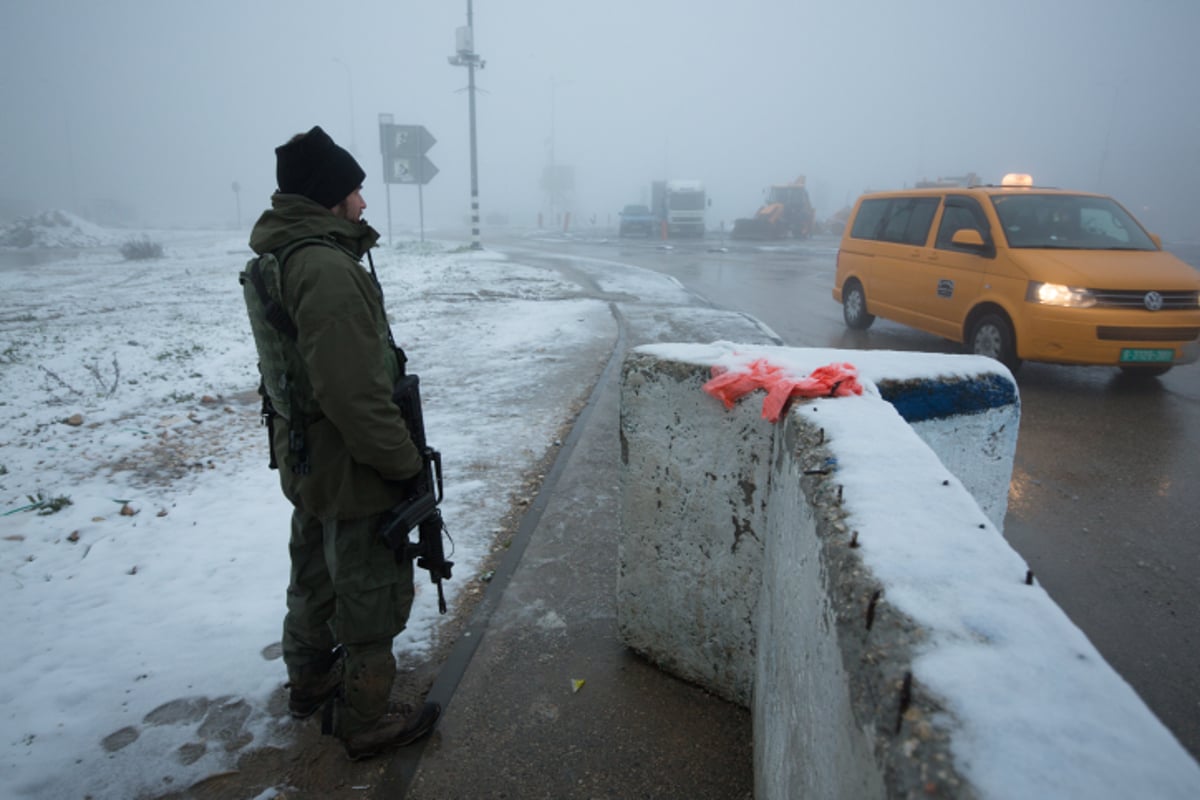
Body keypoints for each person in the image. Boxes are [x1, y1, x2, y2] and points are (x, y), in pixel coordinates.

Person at [246, 125, 440, 760]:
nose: (362, 202)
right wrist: (403, 463)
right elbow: (353, 392)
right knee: (367, 590)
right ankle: (365, 719)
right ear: (329, 196)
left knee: (313, 573)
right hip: (348, 461)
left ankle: (309, 681)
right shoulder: (325, 267)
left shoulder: (288, 256)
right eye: (354, 190)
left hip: (307, 458)